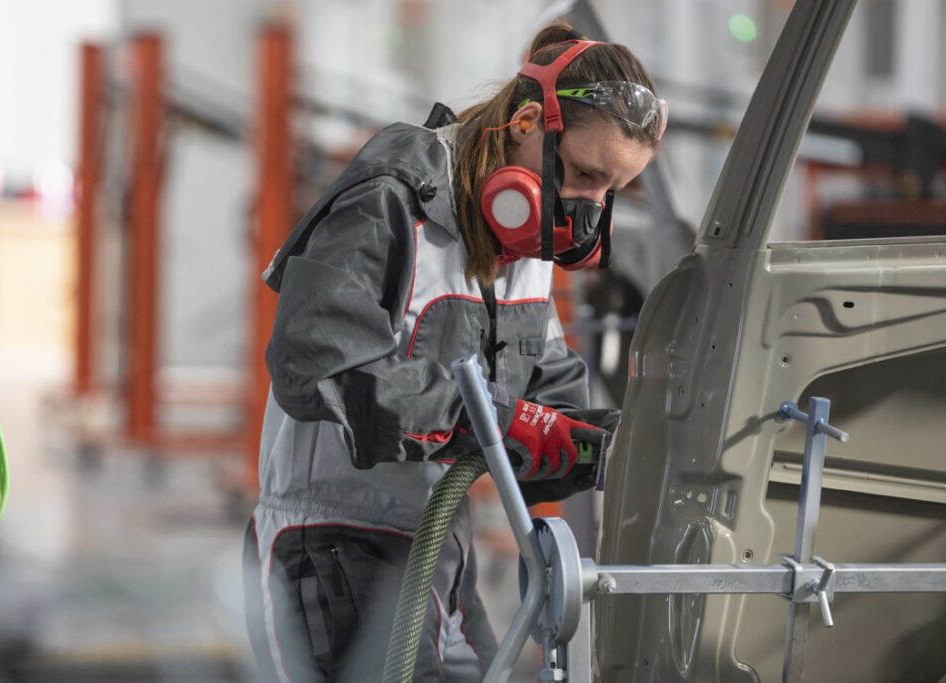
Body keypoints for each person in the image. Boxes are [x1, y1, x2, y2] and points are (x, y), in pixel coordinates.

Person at [242, 21, 667, 682]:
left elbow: (546, 415)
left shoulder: (527, 247)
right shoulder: (390, 197)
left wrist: (620, 442)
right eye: (585, 174)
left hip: (438, 549)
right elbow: (314, 363)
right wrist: (495, 420)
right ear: (527, 123)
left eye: (610, 190)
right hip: (332, 547)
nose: (588, 208)